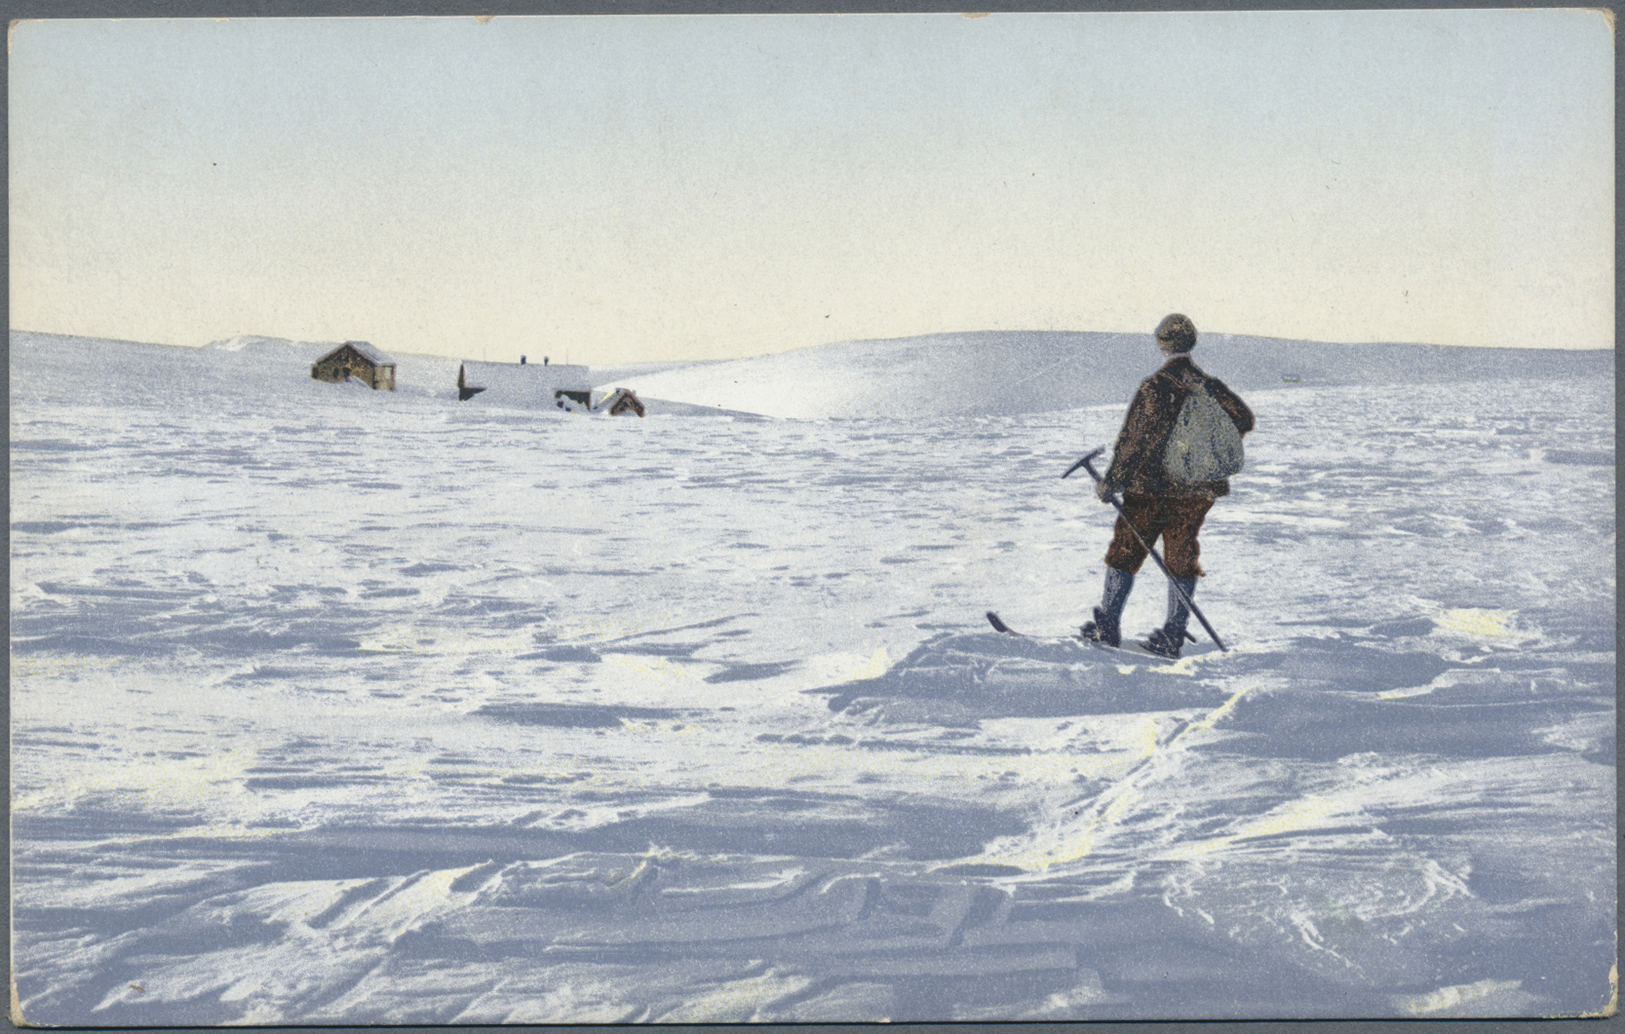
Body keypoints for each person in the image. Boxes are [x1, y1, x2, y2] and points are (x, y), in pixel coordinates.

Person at [1080, 314, 1254, 658]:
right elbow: (1244, 419)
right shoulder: (1211, 386)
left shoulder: (1154, 386)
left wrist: (1111, 483)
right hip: (1197, 491)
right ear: (1191, 343)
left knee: (1126, 552)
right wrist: (1201, 449)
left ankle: (1108, 626)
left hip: (1150, 491)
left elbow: (1133, 442)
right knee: (1182, 555)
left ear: (1162, 345)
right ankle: (1172, 634)